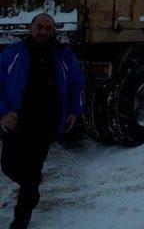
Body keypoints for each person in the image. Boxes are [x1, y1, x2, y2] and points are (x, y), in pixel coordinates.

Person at [0, 13, 84, 229]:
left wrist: (74, 110)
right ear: (30, 27)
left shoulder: (63, 55)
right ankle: (32, 185)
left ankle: (22, 219)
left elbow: (77, 83)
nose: (44, 31)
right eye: (40, 26)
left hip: (45, 124)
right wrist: (3, 113)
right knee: (8, 167)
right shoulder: (13, 53)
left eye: (48, 28)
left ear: (53, 31)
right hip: (17, 122)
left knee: (31, 171)